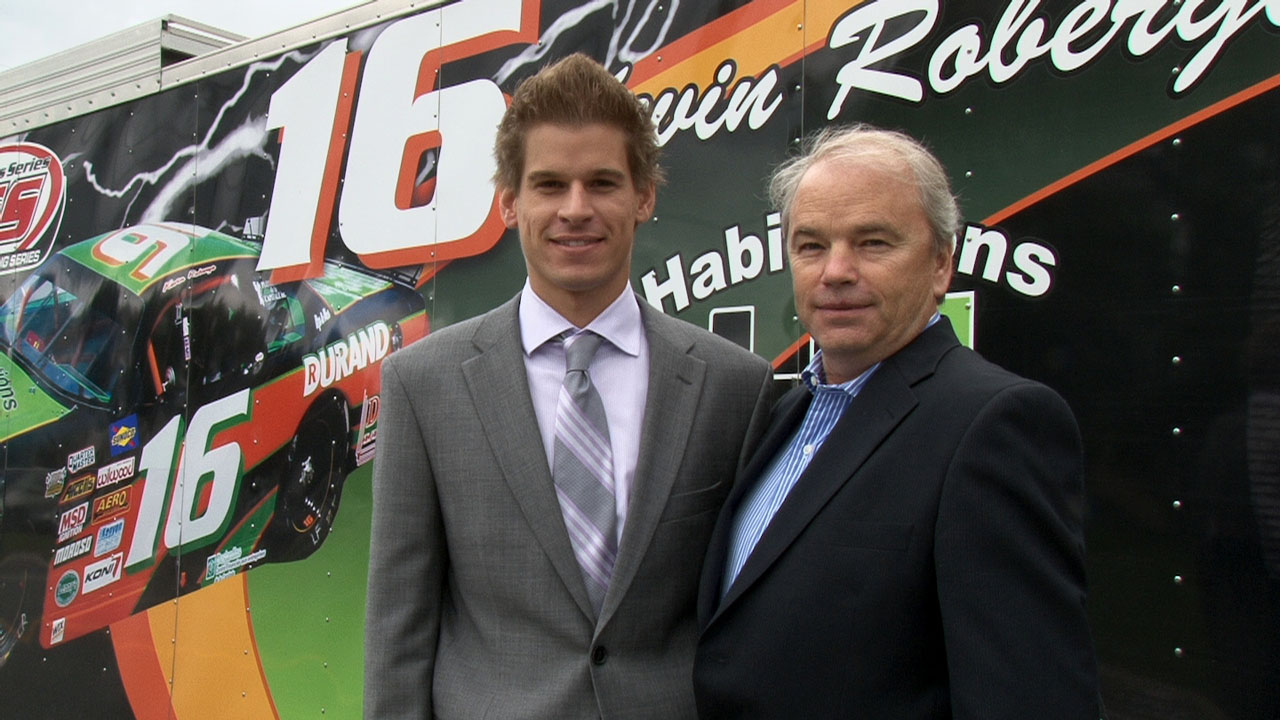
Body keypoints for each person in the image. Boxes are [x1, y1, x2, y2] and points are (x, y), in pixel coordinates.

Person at [363, 53, 773, 719]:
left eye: (602, 183)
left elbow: (747, 623)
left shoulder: (733, 387)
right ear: (508, 202)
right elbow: (397, 630)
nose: (575, 210)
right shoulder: (423, 384)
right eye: (549, 185)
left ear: (644, 196)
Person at [693, 125, 1101, 718]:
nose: (835, 271)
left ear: (941, 262)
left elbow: (1030, 695)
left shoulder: (994, 424)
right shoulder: (787, 413)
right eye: (811, 246)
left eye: (873, 243)